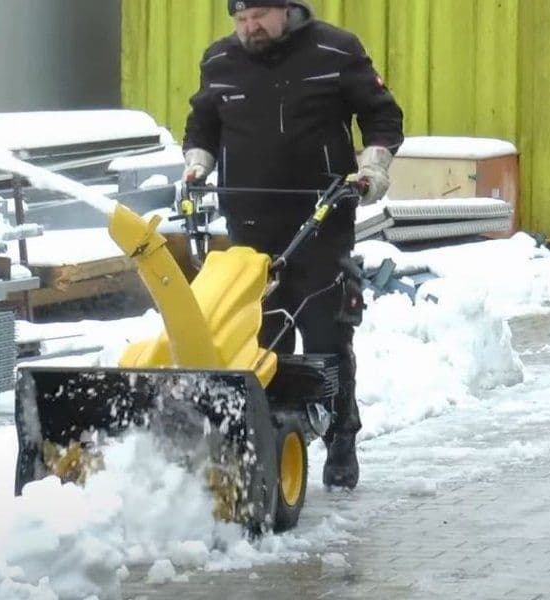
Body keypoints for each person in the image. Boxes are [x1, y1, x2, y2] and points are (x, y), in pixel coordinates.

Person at [182, 0, 404, 489]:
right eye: (240, 20)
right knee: (258, 340)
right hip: (249, 227)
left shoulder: (336, 50)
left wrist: (372, 169)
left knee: (328, 337)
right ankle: (271, 440)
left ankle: (341, 436)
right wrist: (197, 165)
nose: (249, 28)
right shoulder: (219, 61)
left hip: (321, 221)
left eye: (258, 16)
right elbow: (203, 122)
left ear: (287, 10)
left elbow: (383, 118)